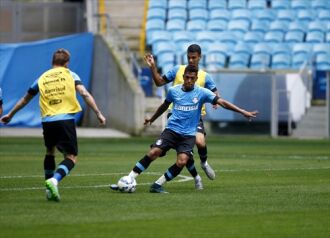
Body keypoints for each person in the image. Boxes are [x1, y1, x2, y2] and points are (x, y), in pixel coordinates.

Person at [112, 65, 258, 193]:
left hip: (188, 135)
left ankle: (157, 185)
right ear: (183, 77)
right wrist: (152, 119)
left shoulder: (202, 93)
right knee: (154, 152)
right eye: (187, 77)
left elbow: (223, 102)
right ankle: (128, 179)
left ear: (195, 79)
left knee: (182, 161)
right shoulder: (174, 91)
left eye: (192, 78)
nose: (189, 80)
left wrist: (242, 111)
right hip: (171, 130)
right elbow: (164, 106)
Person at [0, 48, 106, 201]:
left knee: (50, 152)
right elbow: (84, 93)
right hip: (65, 120)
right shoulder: (71, 75)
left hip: (47, 121)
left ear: (52, 62)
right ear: (67, 63)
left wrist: (10, 114)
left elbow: (25, 99)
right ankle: (54, 180)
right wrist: (98, 113)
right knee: (71, 157)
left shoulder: (42, 78)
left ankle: (49, 191)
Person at [144, 44, 219, 189]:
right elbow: (159, 82)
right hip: (176, 114)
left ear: (199, 57)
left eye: (194, 57)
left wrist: (216, 101)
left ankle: (203, 163)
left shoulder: (204, 75)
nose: (191, 60)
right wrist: (153, 67)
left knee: (200, 142)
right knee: (184, 152)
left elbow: (215, 92)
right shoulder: (177, 70)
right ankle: (196, 177)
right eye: (189, 57)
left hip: (194, 116)